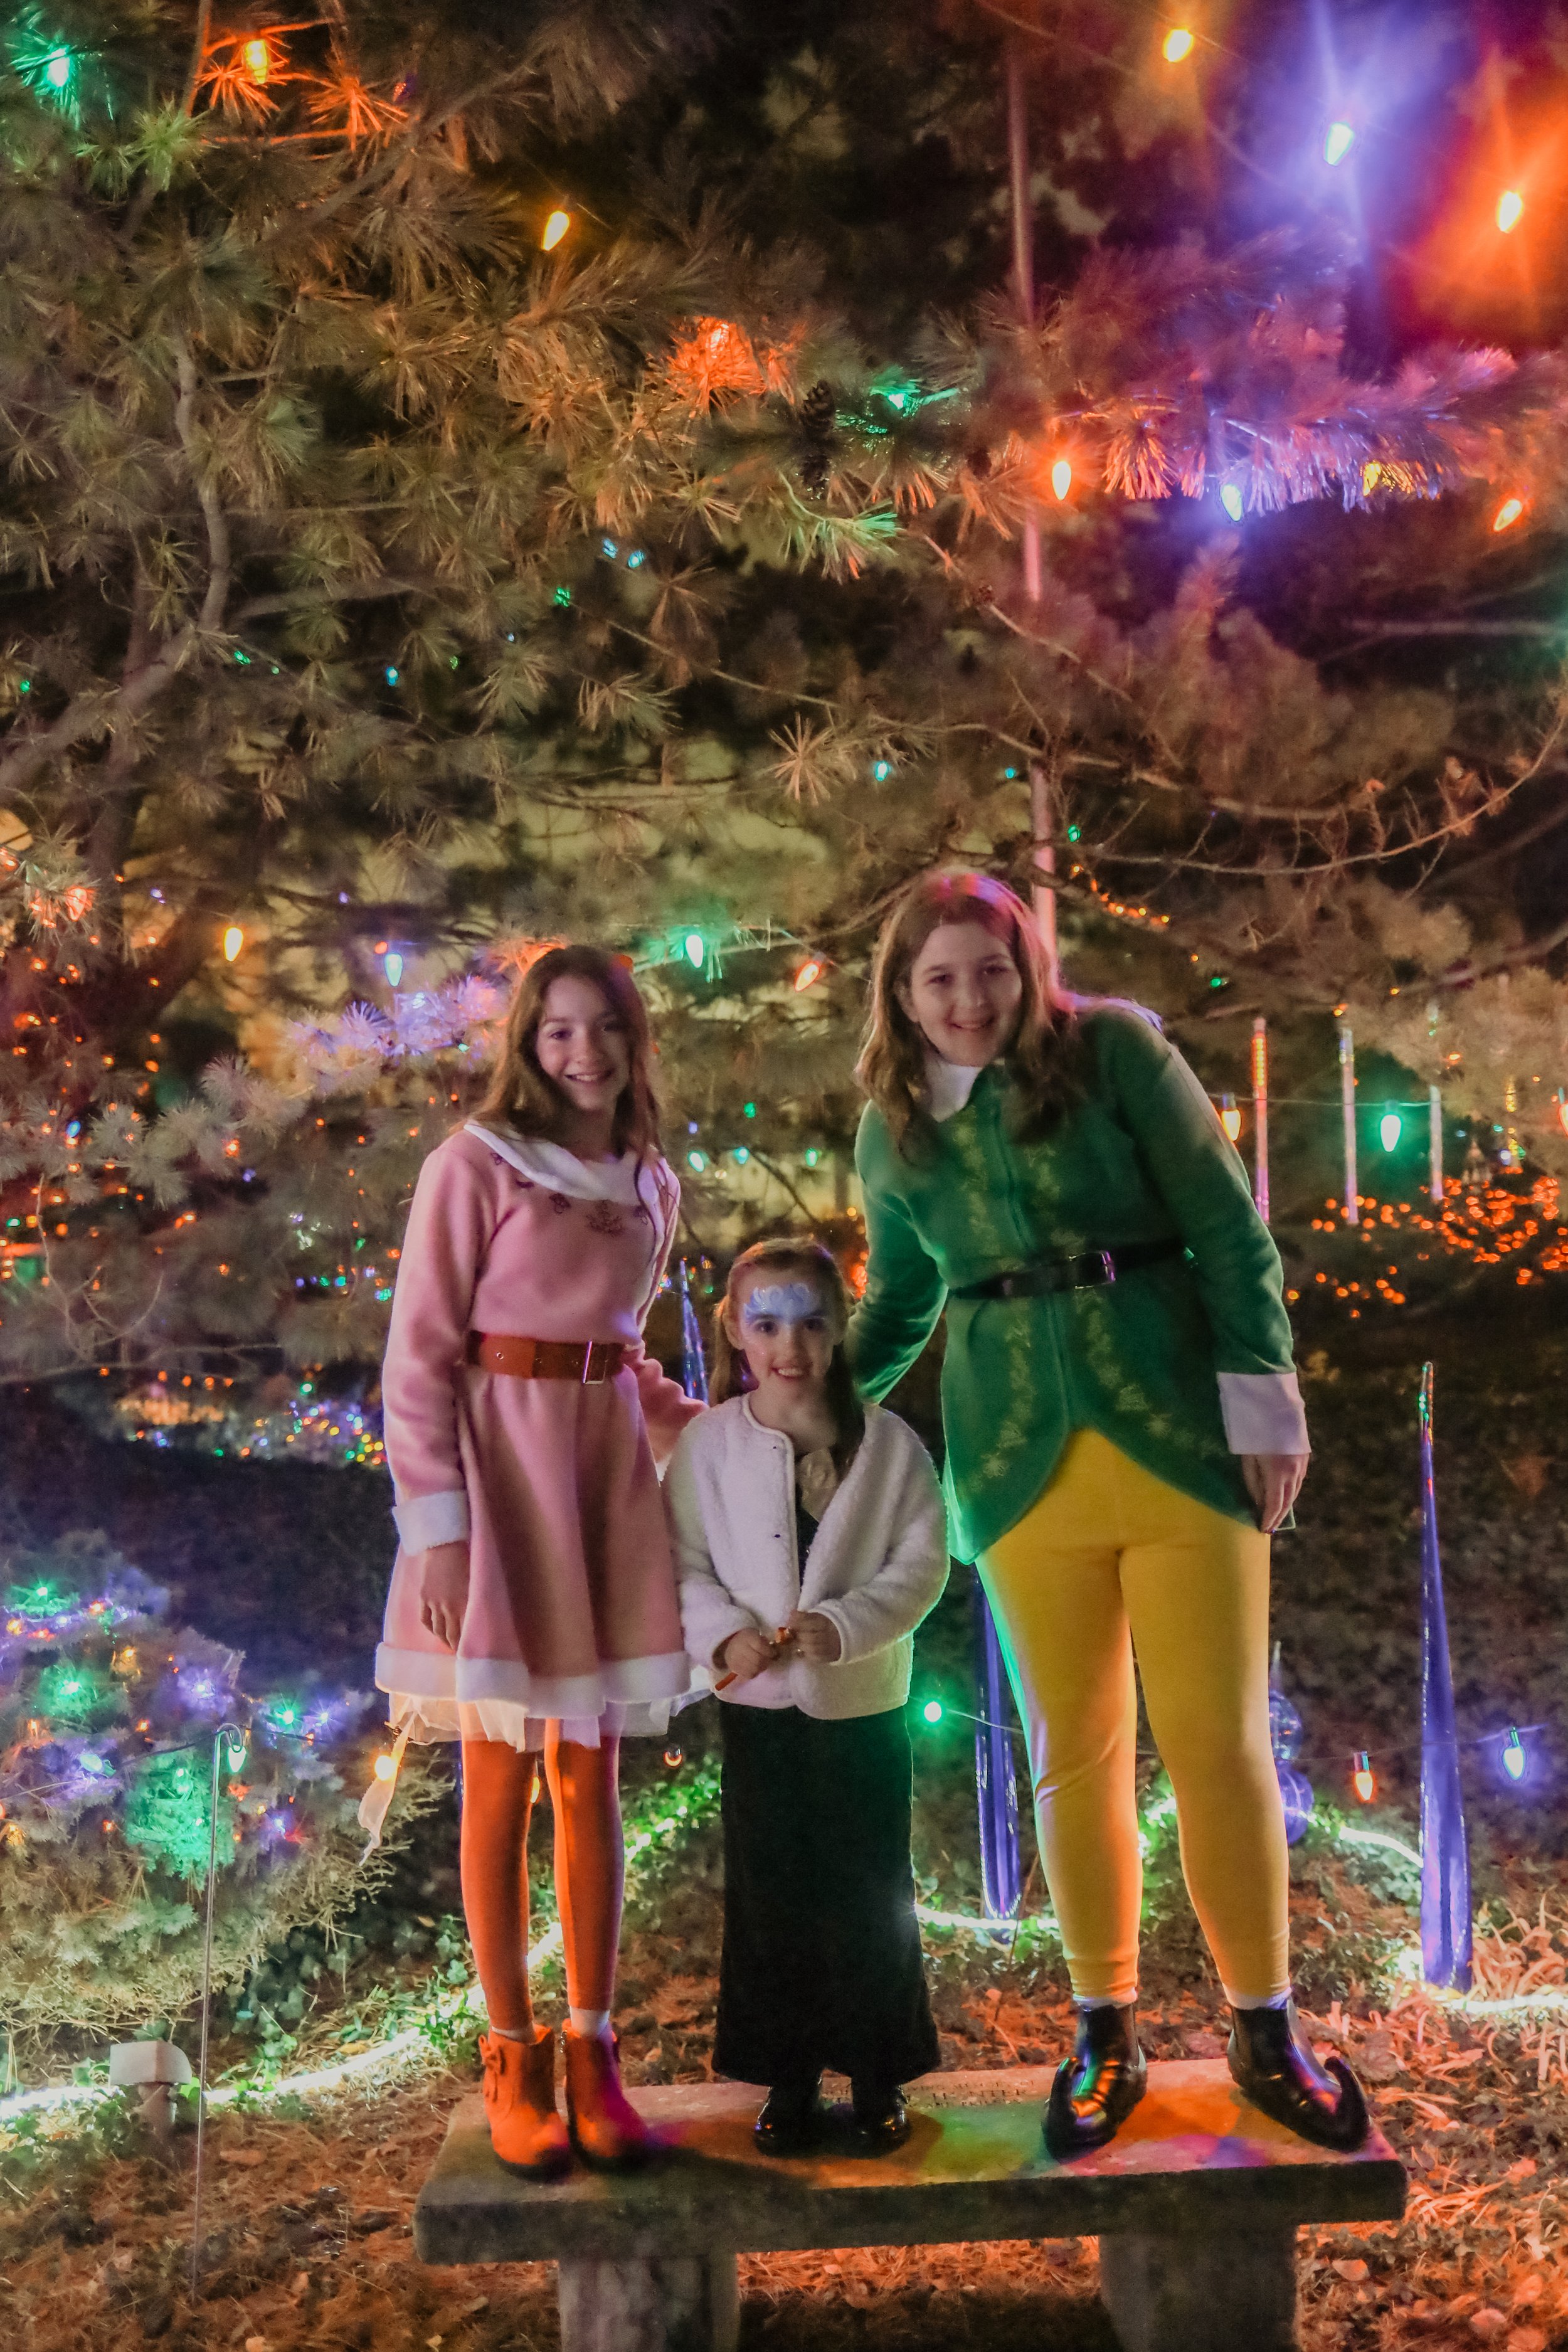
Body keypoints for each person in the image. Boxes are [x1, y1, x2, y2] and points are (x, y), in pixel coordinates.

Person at [848, 869, 1368, 2158]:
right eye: (937, 980)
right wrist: (794, 1406)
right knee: (1068, 1757)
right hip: (1017, 1466)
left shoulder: (1116, 1053)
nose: (968, 1000)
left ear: (1025, 968)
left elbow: (1224, 1226)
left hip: (1179, 1441)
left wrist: (1265, 1407)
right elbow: (904, 1301)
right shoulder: (894, 1126)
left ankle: (1262, 2029)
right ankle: (1104, 2031)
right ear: (901, 1001)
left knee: (1216, 1744)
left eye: (988, 969)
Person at [376, 944, 704, 2177]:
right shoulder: (471, 1168)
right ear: (529, 1042)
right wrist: (438, 1531)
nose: (582, 1052)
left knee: (589, 1776)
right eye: (558, 1031)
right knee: (499, 1782)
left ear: (631, 1042)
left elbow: (620, 1358)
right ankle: (508, 2055)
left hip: (596, 1487)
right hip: (494, 1488)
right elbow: (415, 1363)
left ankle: (592, 2053)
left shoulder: (649, 1185)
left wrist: (721, 1438)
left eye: (604, 1029)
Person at [665, 1236, 948, 2156]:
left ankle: (875, 2072)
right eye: (768, 1323)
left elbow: (921, 1562)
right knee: (771, 1891)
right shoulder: (707, 1447)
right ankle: (786, 2075)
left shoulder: (890, 1446)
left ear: (840, 1330)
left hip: (863, 1707)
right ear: (736, 1332)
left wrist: (851, 1622)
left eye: (814, 1322)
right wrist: (721, 1633)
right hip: (759, 1713)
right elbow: (682, 1562)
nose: (792, 1345)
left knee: (871, 1890)